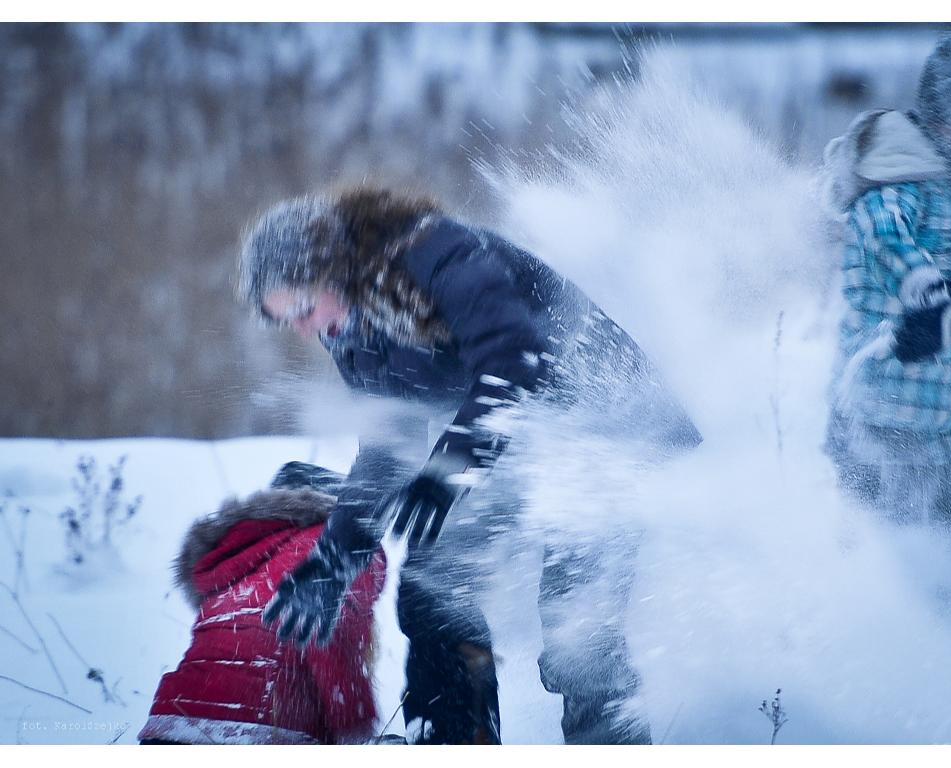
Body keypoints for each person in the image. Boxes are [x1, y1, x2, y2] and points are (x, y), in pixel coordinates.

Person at [237, 187, 701, 744]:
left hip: (612, 430)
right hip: (516, 446)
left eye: (306, 309)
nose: (309, 330)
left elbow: (514, 361)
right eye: (292, 322)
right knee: (431, 586)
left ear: (333, 270)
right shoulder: (352, 333)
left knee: (577, 626)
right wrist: (333, 564)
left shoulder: (436, 253)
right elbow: (387, 446)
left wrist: (448, 472)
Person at [823, 28, 951, 604]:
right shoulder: (900, 174)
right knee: (901, 582)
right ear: (941, 112)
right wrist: (920, 279)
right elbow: (879, 227)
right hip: (884, 430)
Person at [137, 465, 386, 745]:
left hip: (170, 722)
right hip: (257, 730)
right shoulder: (337, 551)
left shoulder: (239, 551)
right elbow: (331, 640)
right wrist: (357, 729)